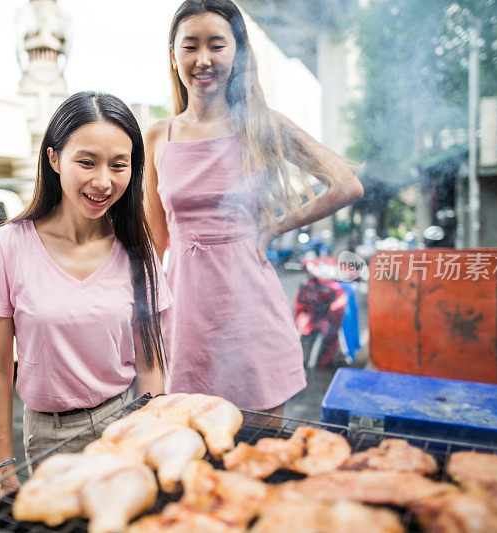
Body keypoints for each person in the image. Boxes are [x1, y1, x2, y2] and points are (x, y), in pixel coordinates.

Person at [144, 0, 364, 411]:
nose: (203, 59)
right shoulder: (158, 135)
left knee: (263, 449)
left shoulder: (263, 125)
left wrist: (276, 226)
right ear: (173, 56)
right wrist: (140, 320)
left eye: (217, 45)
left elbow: (345, 184)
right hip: (185, 315)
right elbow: (154, 243)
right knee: (192, 448)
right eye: (190, 46)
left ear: (238, 51)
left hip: (250, 310)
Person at [0, 91, 170, 495]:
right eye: (87, 162)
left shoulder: (138, 249)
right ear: (54, 159)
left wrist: (150, 437)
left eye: (119, 165)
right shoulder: (8, 245)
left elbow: (150, 362)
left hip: (126, 423)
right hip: (50, 438)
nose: (103, 181)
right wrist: (4, 467)